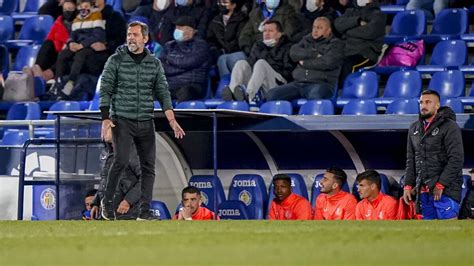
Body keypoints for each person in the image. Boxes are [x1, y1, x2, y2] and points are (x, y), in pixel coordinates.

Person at [99, 21, 185, 221]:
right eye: (129, 34)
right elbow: (106, 89)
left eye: (135, 35)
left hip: (146, 120)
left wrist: (171, 119)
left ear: (145, 39)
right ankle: (107, 202)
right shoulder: (115, 60)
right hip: (122, 119)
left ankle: (144, 212)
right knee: (120, 161)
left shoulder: (154, 63)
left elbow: (163, 91)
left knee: (148, 168)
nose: (131, 38)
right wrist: (105, 118)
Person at [403, 90, 464, 220]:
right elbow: (411, 160)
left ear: (437, 105)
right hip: (423, 191)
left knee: (450, 233)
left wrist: (441, 184)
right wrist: (408, 186)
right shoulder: (414, 128)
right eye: (421, 102)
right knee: (429, 235)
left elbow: (456, 159)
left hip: (446, 190)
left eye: (428, 102)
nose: (423, 106)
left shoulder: (450, 126)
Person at [267, 17, 343, 102]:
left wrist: (304, 62)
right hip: (298, 83)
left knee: (315, 95)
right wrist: (313, 54)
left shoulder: (336, 44)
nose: (315, 30)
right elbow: (293, 52)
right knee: (272, 94)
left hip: (321, 84)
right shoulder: (306, 40)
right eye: (314, 27)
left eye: (320, 28)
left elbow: (327, 63)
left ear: (328, 30)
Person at [221, 20, 294, 104]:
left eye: (270, 31)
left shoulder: (288, 47)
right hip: (257, 82)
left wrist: (267, 65)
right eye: (265, 31)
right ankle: (233, 94)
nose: (266, 34)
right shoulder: (258, 45)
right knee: (241, 63)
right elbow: (250, 64)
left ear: (279, 34)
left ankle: (250, 96)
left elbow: (288, 73)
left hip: (278, 83)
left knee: (261, 63)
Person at [55, 0, 106, 96]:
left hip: (89, 47)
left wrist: (82, 45)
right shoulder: (76, 20)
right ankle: (58, 82)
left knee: (80, 54)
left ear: (91, 7)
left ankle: (71, 82)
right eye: (81, 6)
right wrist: (71, 43)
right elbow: (71, 36)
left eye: (86, 6)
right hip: (77, 45)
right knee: (63, 54)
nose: (83, 8)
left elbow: (97, 36)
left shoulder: (96, 17)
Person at [334, 0, 386, 85]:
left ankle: (344, 92)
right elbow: (338, 24)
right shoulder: (350, 11)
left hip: (365, 53)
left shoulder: (378, 15)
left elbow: (369, 32)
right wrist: (357, 21)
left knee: (348, 64)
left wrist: (347, 31)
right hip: (346, 50)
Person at [160, 16, 210, 102]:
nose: (177, 30)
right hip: (171, 84)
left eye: (180, 28)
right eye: (176, 27)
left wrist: (170, 59)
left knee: (185, 92)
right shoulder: (169, 45)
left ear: (191, 30)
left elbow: (189, 62)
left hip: (192, 85)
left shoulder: (201, 46)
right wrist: (184, 68)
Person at [25, 0, 77, 82]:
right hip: (59, 47)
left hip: (73, 48)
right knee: (48, 44)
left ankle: (47, 75)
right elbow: (43, 11)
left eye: (70, 9)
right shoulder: (60, 20)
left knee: (67, 52)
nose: (67, 11)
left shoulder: (81, 22)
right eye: (65, 9)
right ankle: (37, 70)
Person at [90, 143, 143, 220]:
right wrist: (97, 202)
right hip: (106, 211)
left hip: (127, 213)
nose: (103, 132)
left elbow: (145, 179)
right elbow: (104, 180)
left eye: (108, 130)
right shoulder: (106, 152)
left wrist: (128, 200)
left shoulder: (132, 151)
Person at [207, 0, 248, 77]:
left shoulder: (242, 19)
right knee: (221, 59)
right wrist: (217, 49)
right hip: (222, 53)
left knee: (229, 58)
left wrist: (228, 48)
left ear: (233, 5)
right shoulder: (215, 20)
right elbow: (211, 39)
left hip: (238, 51)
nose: (221, 5)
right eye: (220, 3)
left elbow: (241, 39)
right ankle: (226, 85)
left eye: (225, 3)